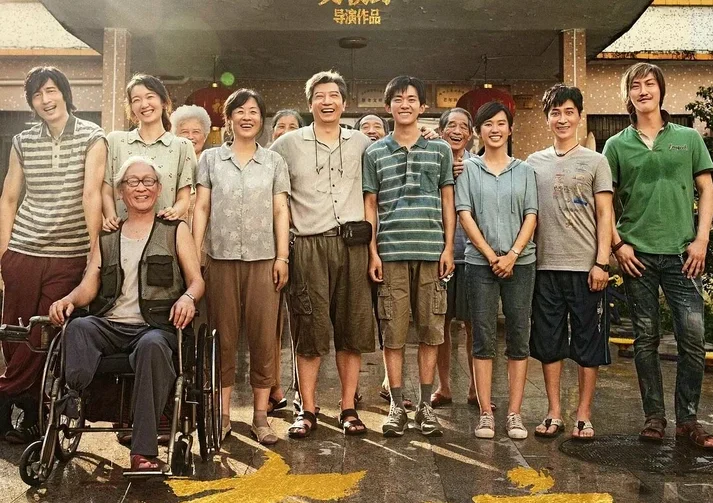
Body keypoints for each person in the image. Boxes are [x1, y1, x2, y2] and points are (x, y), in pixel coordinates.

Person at [48, 156, 204, 472]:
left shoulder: (175, 230)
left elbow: (197, 281)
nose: (141, 188)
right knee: (77, 327)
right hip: (111, 324)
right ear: (121, 192)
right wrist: (68, 299)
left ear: (158, 189)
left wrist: (188, 298)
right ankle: (74, 398)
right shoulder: (107, 236)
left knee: (152, 346)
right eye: (133, 182)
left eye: (148, 181)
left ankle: (142, 452)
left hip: (156, 327)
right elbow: (89, 286)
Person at [604, 63, 713, 448]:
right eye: (635, 85)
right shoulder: (616, 145)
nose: (643, 90)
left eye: (650, 83)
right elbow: (604, 203)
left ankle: (688, 419)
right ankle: (654, 417)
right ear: (628, 95)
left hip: (684, 254)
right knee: (645, 339)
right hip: (638, 256)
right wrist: (618, 245)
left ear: (661, 90)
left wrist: (702, 239)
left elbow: (707, 188)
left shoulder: (688, 138)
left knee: (693, 339)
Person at [0, 66, 106, 444]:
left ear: (64, 92)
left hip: (68, 254)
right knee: (14, 333)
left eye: (51, 90)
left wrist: (94, 249)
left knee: (44, 331)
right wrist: (3, 253)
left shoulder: (93, 136)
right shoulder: (22, 141)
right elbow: (9, 197)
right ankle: (27, 412)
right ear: (31, 102)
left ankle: (5, 394)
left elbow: (91, 194)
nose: (45, 100)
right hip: (23, 250)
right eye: (37, 95)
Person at [271, 70, 376, 438]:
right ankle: (307, 409)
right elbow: (266, 181)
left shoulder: (362, 142)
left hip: (353, 245)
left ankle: (348, 408)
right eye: (320, 95)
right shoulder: (287, 145)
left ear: (344, 103)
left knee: (352, 329)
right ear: (310, 103)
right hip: (308, 246)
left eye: (334, 95)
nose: (327, 101)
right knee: (309, 330)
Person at [192, 89, 290, 445]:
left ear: (261, 119)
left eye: (254, 111)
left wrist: (282, 257)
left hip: (264, 260)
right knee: (223, 338)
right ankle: (223, 416)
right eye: (240, 111)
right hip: (220, 259)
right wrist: (196, 253)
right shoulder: (211, 160)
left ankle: (261, 417)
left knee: (264, 338)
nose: (247, 117)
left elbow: (280, 210)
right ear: (229, 118)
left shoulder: (274, 161)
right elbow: (202, 207)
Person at [364, 75, 455, 438]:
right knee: (394, 331)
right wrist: (373, 252)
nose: (405, 104)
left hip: (432, 252)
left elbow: (448, 200)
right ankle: (396, 406)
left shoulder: (440, 150)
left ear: (423, 106)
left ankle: (425, 407)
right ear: (388, 107)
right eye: (398, 99)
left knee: (431, 331)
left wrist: (448, 247)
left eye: (412, 99)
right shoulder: (374, 153)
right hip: (391, 252)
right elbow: (370, 205)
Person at [527, 85, 613, 440]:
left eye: (568, 112)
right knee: (549, 344)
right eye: (555, 113)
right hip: (544, 267)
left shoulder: (596, 161)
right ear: (547, 118)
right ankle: (554, 411)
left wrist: (602, 263)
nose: (562, 119)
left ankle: (583, 415)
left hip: (586, 268)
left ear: (579, 116)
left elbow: (605, 214)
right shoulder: (533, 163)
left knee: (588, 344)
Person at [455, 101, 537, 440]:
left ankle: (515, 413)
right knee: (483, 337)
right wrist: (491, 255)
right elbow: (464, 214)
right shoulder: (468, 170)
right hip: (479, 264)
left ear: (510, 129)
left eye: (501, 123)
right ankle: (486, 413)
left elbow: (531, 214)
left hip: (522, 263)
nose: (495, 129)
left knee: (518, 334)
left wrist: (513, 254)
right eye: (488, 124)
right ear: (478, 131)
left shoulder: (525, 170)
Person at [102, 74, 197, 229]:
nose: (144, 104)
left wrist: (175, 211)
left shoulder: (182, 146)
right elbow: (106, 189)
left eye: (150, 97)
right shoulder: (115, 141)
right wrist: (110, 216)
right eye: (136, 100)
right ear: (131, 107)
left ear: (163, 102)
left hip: (165, 232)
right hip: (122, 232)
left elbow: (184, 197)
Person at [431, 107, 479, 409]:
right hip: (440, 255)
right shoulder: (433, 161)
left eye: (463, 126)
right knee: (441, 323)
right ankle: (444, 387)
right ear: (441, 131)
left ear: (471, 134)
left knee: (474, 325)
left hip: (473, 256)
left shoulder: (479, 165)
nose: (457, 131)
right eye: (451, 125)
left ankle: (476, 388)